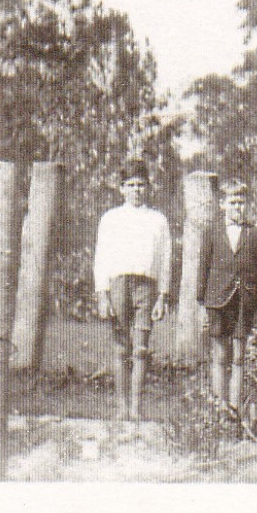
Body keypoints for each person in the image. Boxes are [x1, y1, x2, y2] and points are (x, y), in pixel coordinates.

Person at [93, 160, 172, 421]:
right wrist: (102, 294)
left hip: (146, 287)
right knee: (120, 347)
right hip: (118, 285)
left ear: (148, 188)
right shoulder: (111, 218)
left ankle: (136, 409)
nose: (136, 190)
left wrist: (163, 295)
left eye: (141, 185)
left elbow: (165, 259)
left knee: (140, 349)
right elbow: (101, 258)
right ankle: (121, 407)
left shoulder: (158, 219)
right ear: (121, 189)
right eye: (131, 185)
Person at [194, 177, 257, 415]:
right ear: (222, 204)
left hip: (244, 301)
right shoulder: (212, 231)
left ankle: (235, 406)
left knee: (239, 355)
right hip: (218, 299)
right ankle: (220, 405)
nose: (238, 207)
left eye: (242, 202)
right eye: (233, 202)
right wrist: (200, 302)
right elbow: (203, 267)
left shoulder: (254, 233)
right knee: (220, 354)